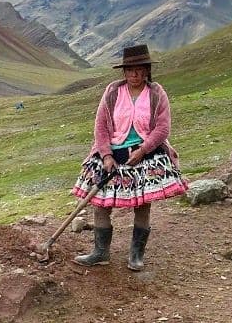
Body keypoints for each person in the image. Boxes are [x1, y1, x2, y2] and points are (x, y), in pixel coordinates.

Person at [71, 44, 188, 272]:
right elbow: (101, 126)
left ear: (147, 70)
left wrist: (143, 150)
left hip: (146, 152)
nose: (134, 74)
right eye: (130, 69)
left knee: (142, 204)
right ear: (124, 71)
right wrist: (105, 155)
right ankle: (100, 252)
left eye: (139, 69)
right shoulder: (113, 91)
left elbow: (162, 128)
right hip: (113, 152)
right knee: (100, 203)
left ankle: (136, 255)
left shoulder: (156, 93)